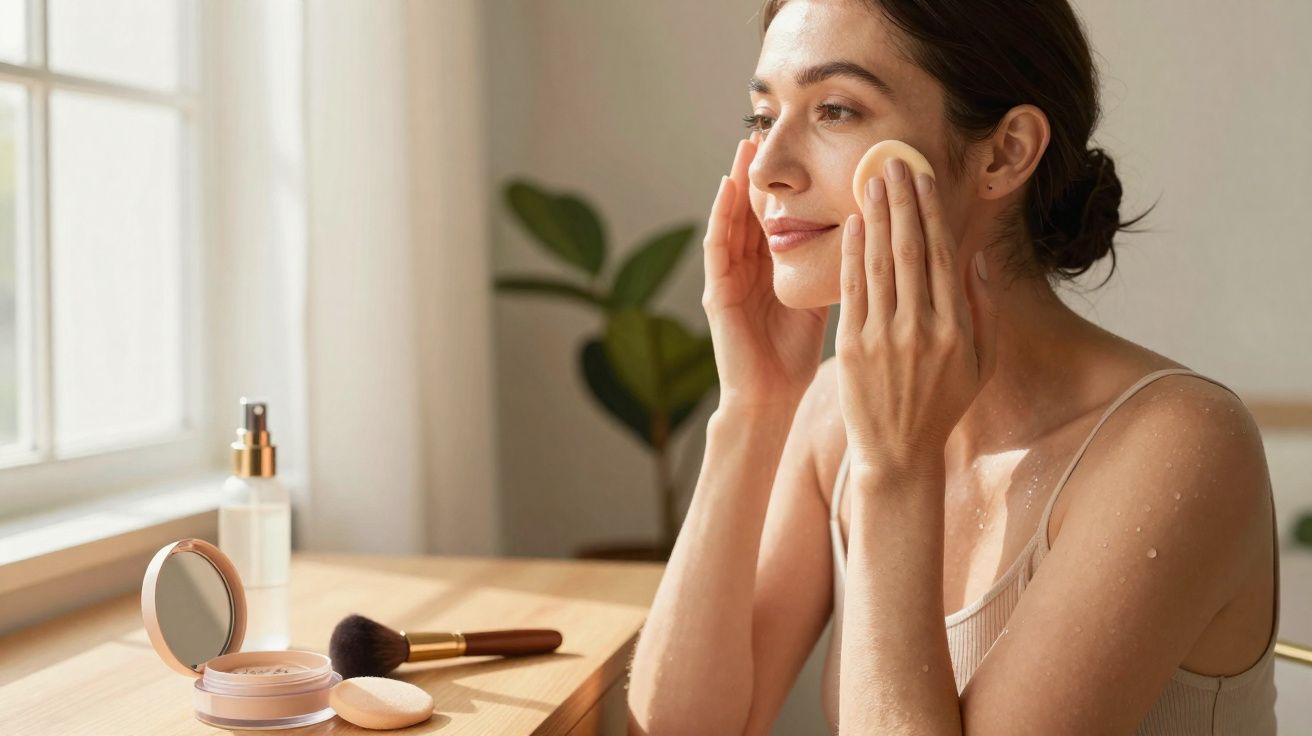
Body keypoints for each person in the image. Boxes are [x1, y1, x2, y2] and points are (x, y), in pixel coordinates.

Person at [625, 1, 1279, 734]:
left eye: (835, 110)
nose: (769, 169)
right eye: (761, 116)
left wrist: (897, 471)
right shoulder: (833, 415)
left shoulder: (1180, 447)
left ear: (1004, 154)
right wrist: (754, 406)